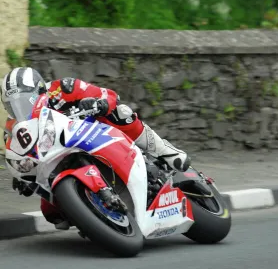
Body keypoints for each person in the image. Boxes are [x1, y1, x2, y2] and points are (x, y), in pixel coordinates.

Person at [2, 67, 191, 230]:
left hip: (94, 132)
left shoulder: (62, 88)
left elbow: (108, 95)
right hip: (56, 158)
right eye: (12, 105)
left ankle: (166, 150)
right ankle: (95, 219)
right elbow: (17, 153)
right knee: (53, 215)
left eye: (25, 100)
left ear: (39, 90)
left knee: (120, 112)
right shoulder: (13, 128)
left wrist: (99, 103)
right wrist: (22, 177)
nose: (19, 107)